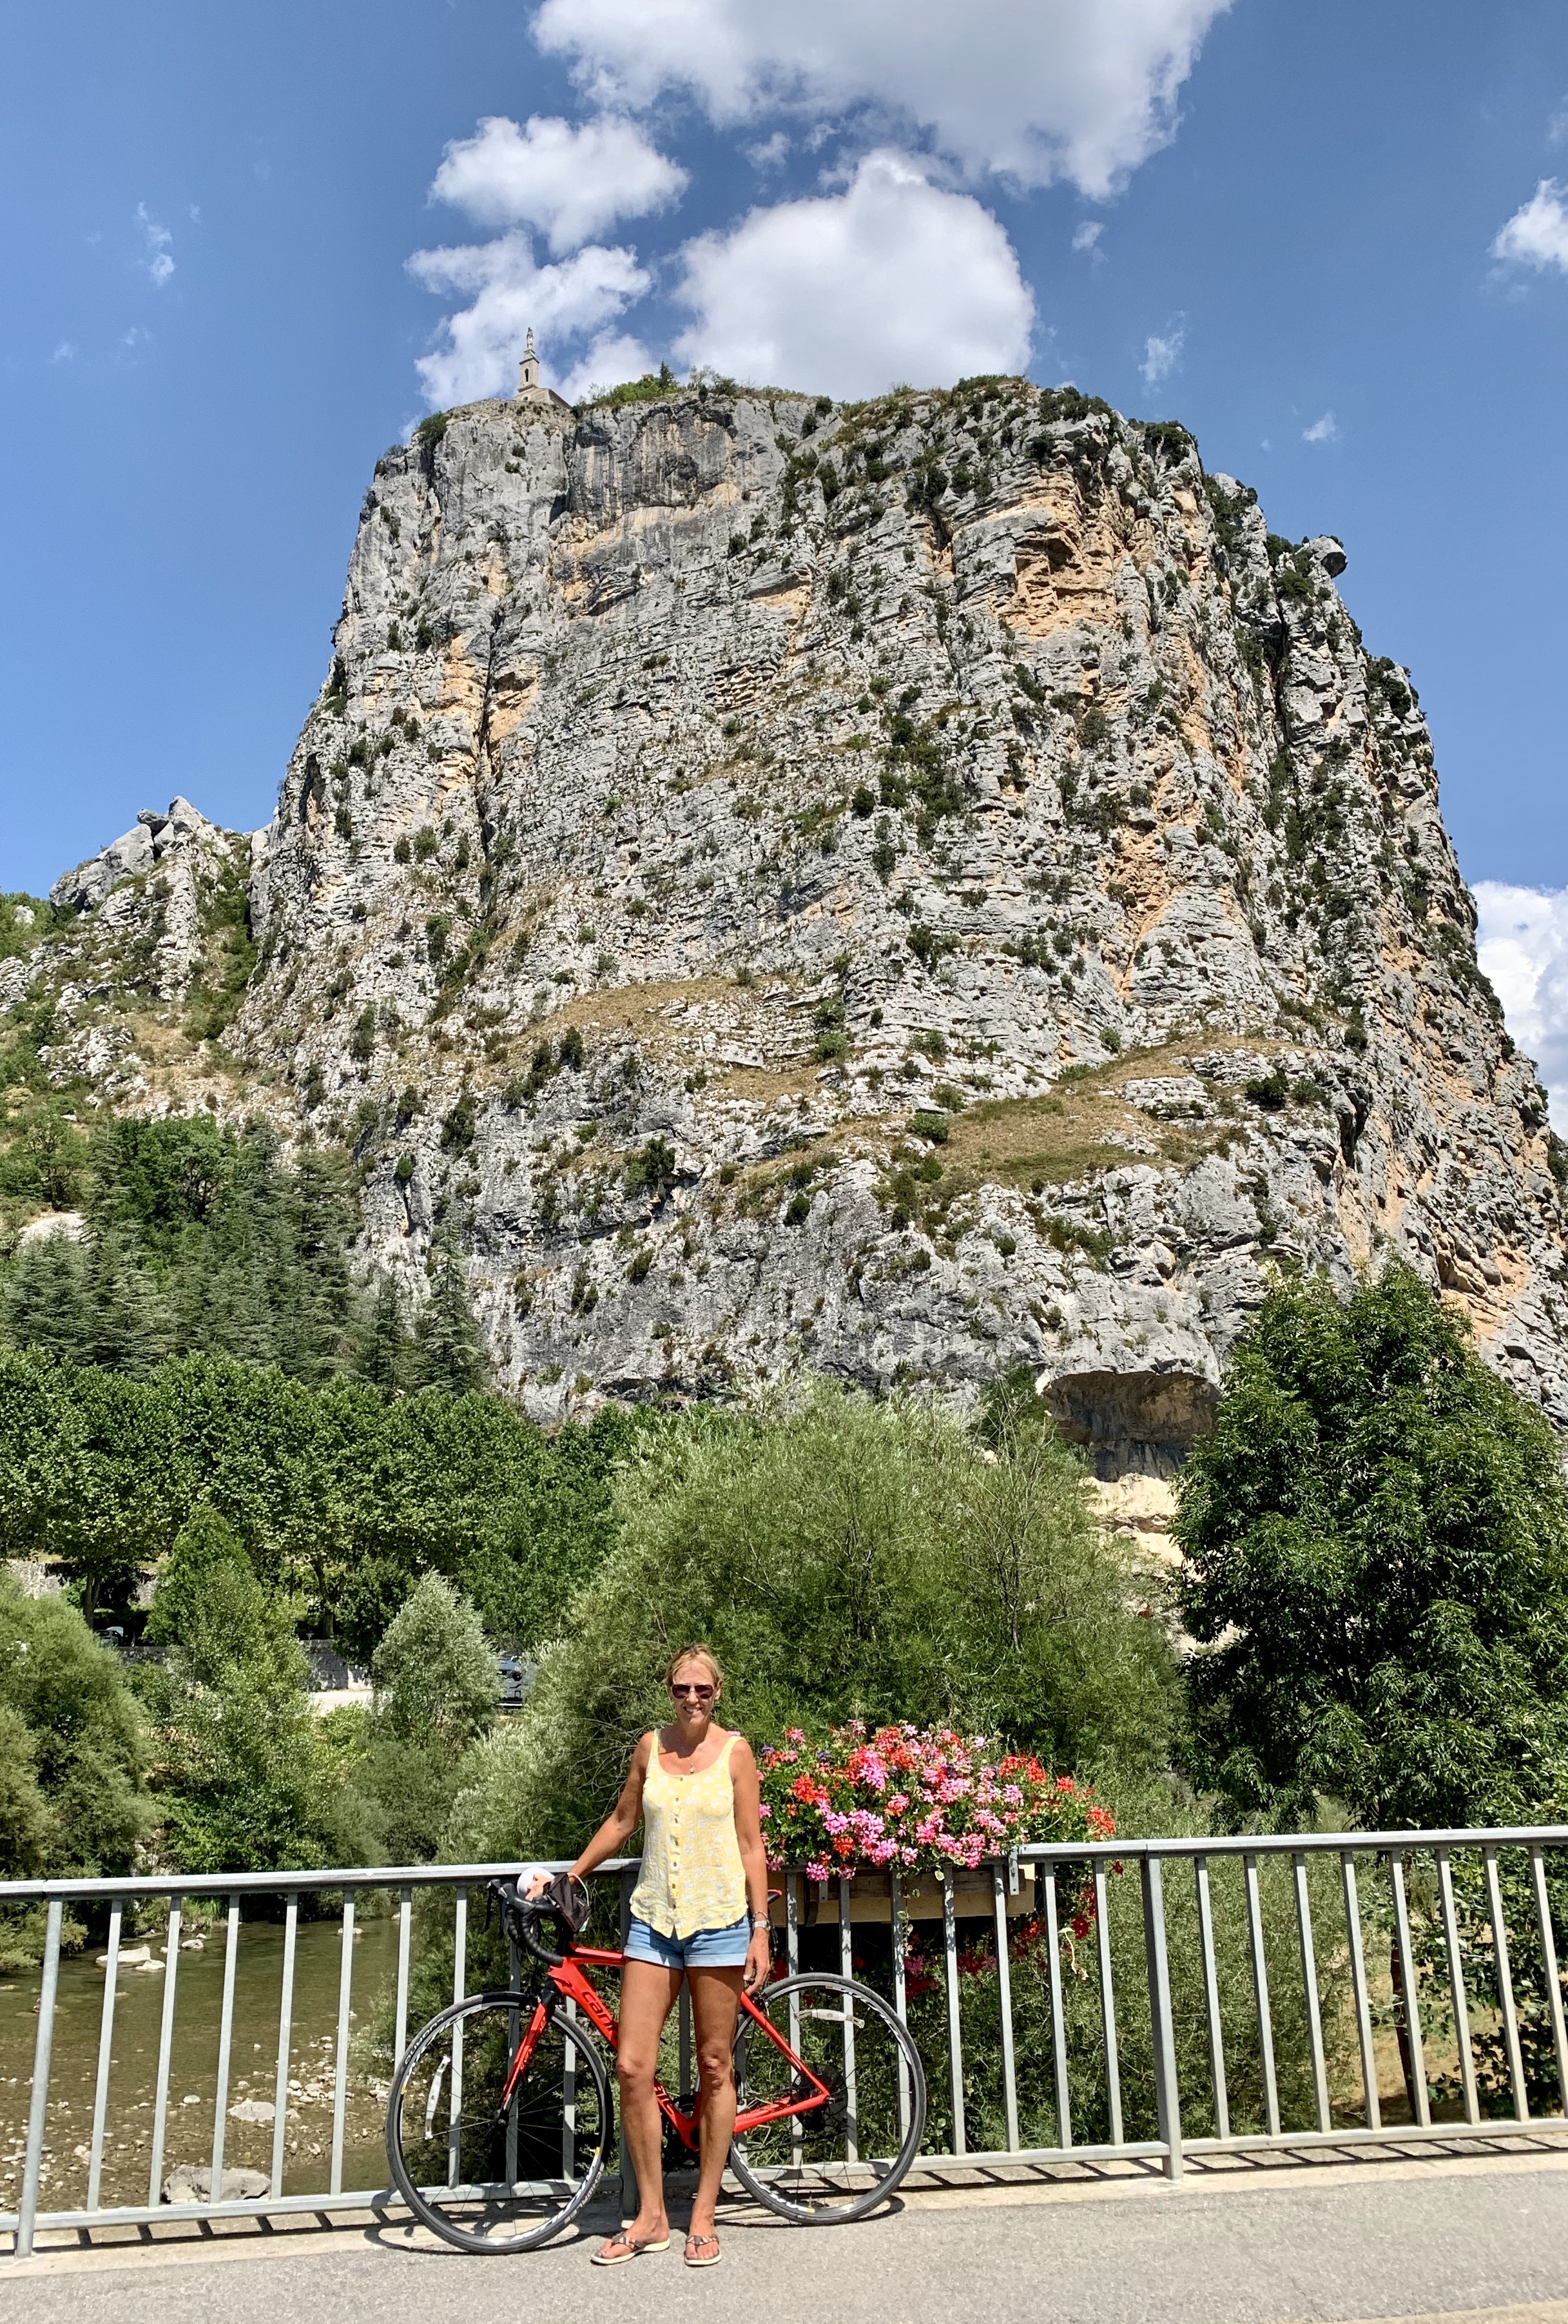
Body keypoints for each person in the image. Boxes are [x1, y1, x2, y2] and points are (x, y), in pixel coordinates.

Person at [531, 1643, 770, 2269]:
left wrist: (760, 1927)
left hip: (720, 1922)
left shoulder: (736, 1752)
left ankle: (704, 2213)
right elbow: (622, 1820)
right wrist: (570, 1876)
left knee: (715, 2066)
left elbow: (751, 1843)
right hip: (654, 1922)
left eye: (703, 1689)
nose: (692, 1698)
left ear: (718, 1692)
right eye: (682, 1688)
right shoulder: (649, 1747)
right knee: (633, 2065)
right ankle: (652, 2216)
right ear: (669, 1690)